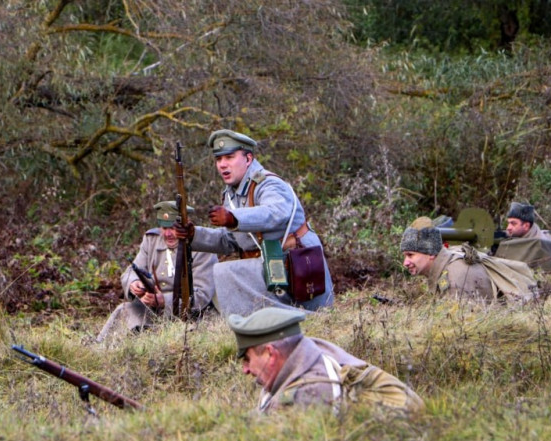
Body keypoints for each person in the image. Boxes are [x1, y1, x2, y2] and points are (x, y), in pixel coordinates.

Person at [174, 129, 333, 318]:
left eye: (230, 157)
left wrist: (233, 218)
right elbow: (232, 241)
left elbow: (276, 212)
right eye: (218, 159)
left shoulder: (268, 183)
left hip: (297, 263)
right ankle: (262, 324)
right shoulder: (231, 194)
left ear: (248, 159)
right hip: (273, 268)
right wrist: (194, 235)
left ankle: (295, 319)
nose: (222, 164)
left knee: (225, 272)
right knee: (224, 273)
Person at [228, 308, 424, 413]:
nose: (245, 369)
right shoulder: (308, 350)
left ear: (271, 354)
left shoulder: (305, 393)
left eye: (247, 359)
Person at [96, 200, 217, 342]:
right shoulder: (152, 240)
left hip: (193, 317)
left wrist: (164, 300)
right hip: (156, 313)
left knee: (185, 337)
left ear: (186, 225)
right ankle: (99, 346)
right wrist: (134, 284)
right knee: (124, 310)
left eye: (173, 228)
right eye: (164, 228)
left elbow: (202, 295)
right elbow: (132, 271)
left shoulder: (203, 249)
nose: (168, 234)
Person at [401, 217, 537, 302]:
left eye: (410, 255)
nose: (405, 263)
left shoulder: (455, 277)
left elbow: (460, 326)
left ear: (431, 253)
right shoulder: (447, 262)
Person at [493, 201, 551, 272]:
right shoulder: (515, 233)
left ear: (526, 226)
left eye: (513, 224)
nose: (508, 227)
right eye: (508, 223)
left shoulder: (541, 242)